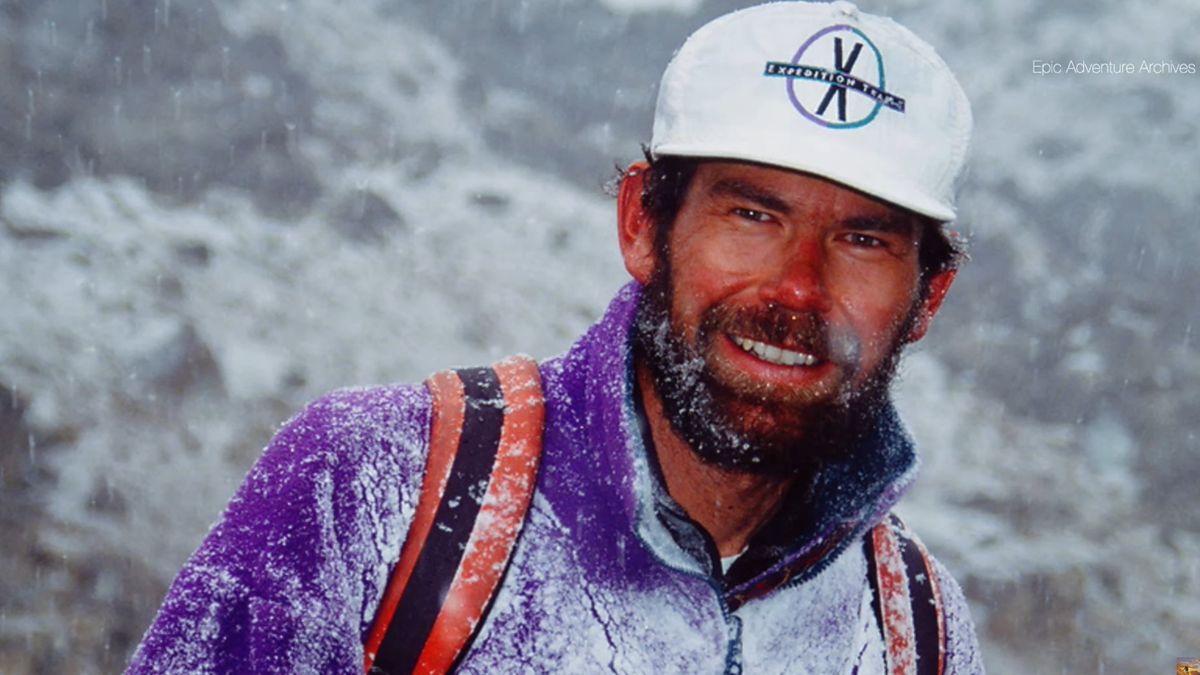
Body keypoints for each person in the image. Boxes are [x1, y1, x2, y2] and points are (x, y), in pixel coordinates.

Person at [129, 1, 984, 673]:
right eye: (752, 216)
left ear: (929, 296)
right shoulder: (377, 487)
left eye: (863, 239)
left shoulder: (917, 630)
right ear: (643, 223)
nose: (799, 287)